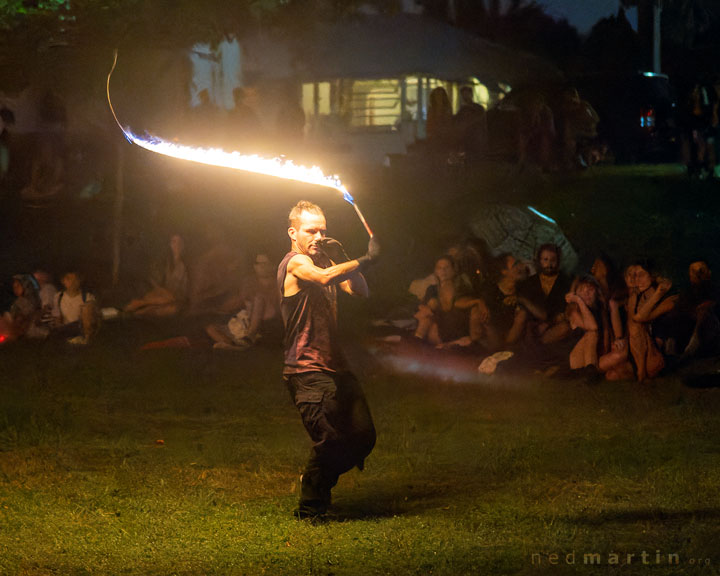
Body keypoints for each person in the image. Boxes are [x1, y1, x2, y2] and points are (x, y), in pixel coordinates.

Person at [279, 200, 379, 519]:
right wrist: (367, 258)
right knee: (331, 441)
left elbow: (360, 291)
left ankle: (319, 481)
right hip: (306, 369)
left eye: (323, 230)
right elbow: (323, 278)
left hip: (337, 366)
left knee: (363, 437)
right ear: (293, 233)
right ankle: (311, 509)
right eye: (311, 231)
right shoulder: (295, 263)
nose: (319, 236)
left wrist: (348, 257)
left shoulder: (325, 259)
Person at [206, 252, 282, 350]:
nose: (260, 267)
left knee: (259, 299)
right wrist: (218, 309)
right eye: (257, 263)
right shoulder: (249, 282)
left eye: (264, 263)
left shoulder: (279, 283)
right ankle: (234, 345)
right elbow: (241, 301)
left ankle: (250, 336)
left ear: (273, 266)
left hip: (266, 322)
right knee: (210, 327)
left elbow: (277, 309)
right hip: (245, 319)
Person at [626, 261, 676, 382]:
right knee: (612, 375)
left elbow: (639, 318)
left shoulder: (669, 298)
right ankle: (640, 370)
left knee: (636, 325)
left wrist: (658, 294)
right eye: (635, 276)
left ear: (653, 276)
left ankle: (641, 372)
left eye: (642, 275)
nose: (637, 279)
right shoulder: (637, 295)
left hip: (661, 353)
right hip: (640, 349)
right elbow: (631, 320)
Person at [413, 255, 476, 348]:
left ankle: (416, 342)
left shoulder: (461, 288)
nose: (443, 271)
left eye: (446, 267)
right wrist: (427, 308)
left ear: (454, 270)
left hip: (454, 327)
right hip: (435, 327)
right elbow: (423, 308)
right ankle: (416, 343)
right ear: (436, 271)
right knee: (427, 314)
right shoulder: (432, 289)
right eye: (439, 268)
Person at [517, 243, 572, 344]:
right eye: (545, 260)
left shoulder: (565, 282)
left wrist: (549, 323)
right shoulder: (531, 282)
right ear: (539, 261)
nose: (549, 264)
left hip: (554, 327)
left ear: (558, 261)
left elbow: (565, 310)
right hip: (533, 327)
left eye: (553, 260)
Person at [125, 234, 189, 317]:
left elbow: (182, 292)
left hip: (175, 299)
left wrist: (169, 295)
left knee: (157, 305)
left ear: (183, 245)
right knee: (151, 301)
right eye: (173, 242)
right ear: (170, 245)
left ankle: (138, 308)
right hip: (164, 295)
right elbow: (162, 283)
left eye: (179, 243)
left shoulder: (184, 265)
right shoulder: (168, 263)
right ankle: (135, 309)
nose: (176, 245)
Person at [52, 271, 99, 345]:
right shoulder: (58, 297)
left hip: (81, 329)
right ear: (63, 281)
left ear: (80, 281)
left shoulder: (87, 297)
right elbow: (57, 317)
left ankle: (85, 340)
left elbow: (89, 317)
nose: (73, 283)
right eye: (69, 279)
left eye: (76, 280)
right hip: (67, 329)